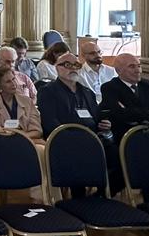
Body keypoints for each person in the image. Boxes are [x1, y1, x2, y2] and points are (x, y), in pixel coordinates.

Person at [37, 51, 118, 196]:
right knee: (78, 153)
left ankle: (101, 195)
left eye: (76, 65)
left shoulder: (87, 92)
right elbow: (50, 122)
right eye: (67, 65)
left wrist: (104, 124)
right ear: (57, 67)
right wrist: (73, 137)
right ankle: (78, 199)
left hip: (92, 139)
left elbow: (97, 117)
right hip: (63, 139)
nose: (72, 68)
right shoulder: (48, 92)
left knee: (121, 156)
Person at [97, 53, 149, 141]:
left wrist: (132, 111)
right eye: (132, 66)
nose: (138, 70)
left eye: (139, 66)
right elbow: (120, 115)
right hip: (125, 135)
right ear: (119, 71)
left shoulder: (148, 85)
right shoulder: (110, 88)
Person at [0, 67, 43, 143]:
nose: (14, 84)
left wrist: (20, 138)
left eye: (13, 79)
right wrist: (16, 138)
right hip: (0, 142)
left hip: (27, 140)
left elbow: (37, 131)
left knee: (41, 148)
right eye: (8, 82)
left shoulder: (27, 101)